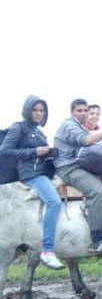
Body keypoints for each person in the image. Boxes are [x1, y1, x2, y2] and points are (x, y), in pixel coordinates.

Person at [0, 96, 65, 269]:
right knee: (54, 202)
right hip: (31, 174)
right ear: (28, 110)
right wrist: (34, 151)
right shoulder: (18, 127)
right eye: (35, 110)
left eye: (41, 110)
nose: (38, 113)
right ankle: (47, 250)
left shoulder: (40, 132)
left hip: (43, 172)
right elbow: (5, 151)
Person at [54, 99, 102, 254]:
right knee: (97, 191)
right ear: (72, 112)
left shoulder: (77, 125)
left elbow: (92, 143)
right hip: (68, 168)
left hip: (79, 164)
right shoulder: (69, 125)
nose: (83, 114)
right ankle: (97, 240)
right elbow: (86, 140)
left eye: (85, 111)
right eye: (79, 111)